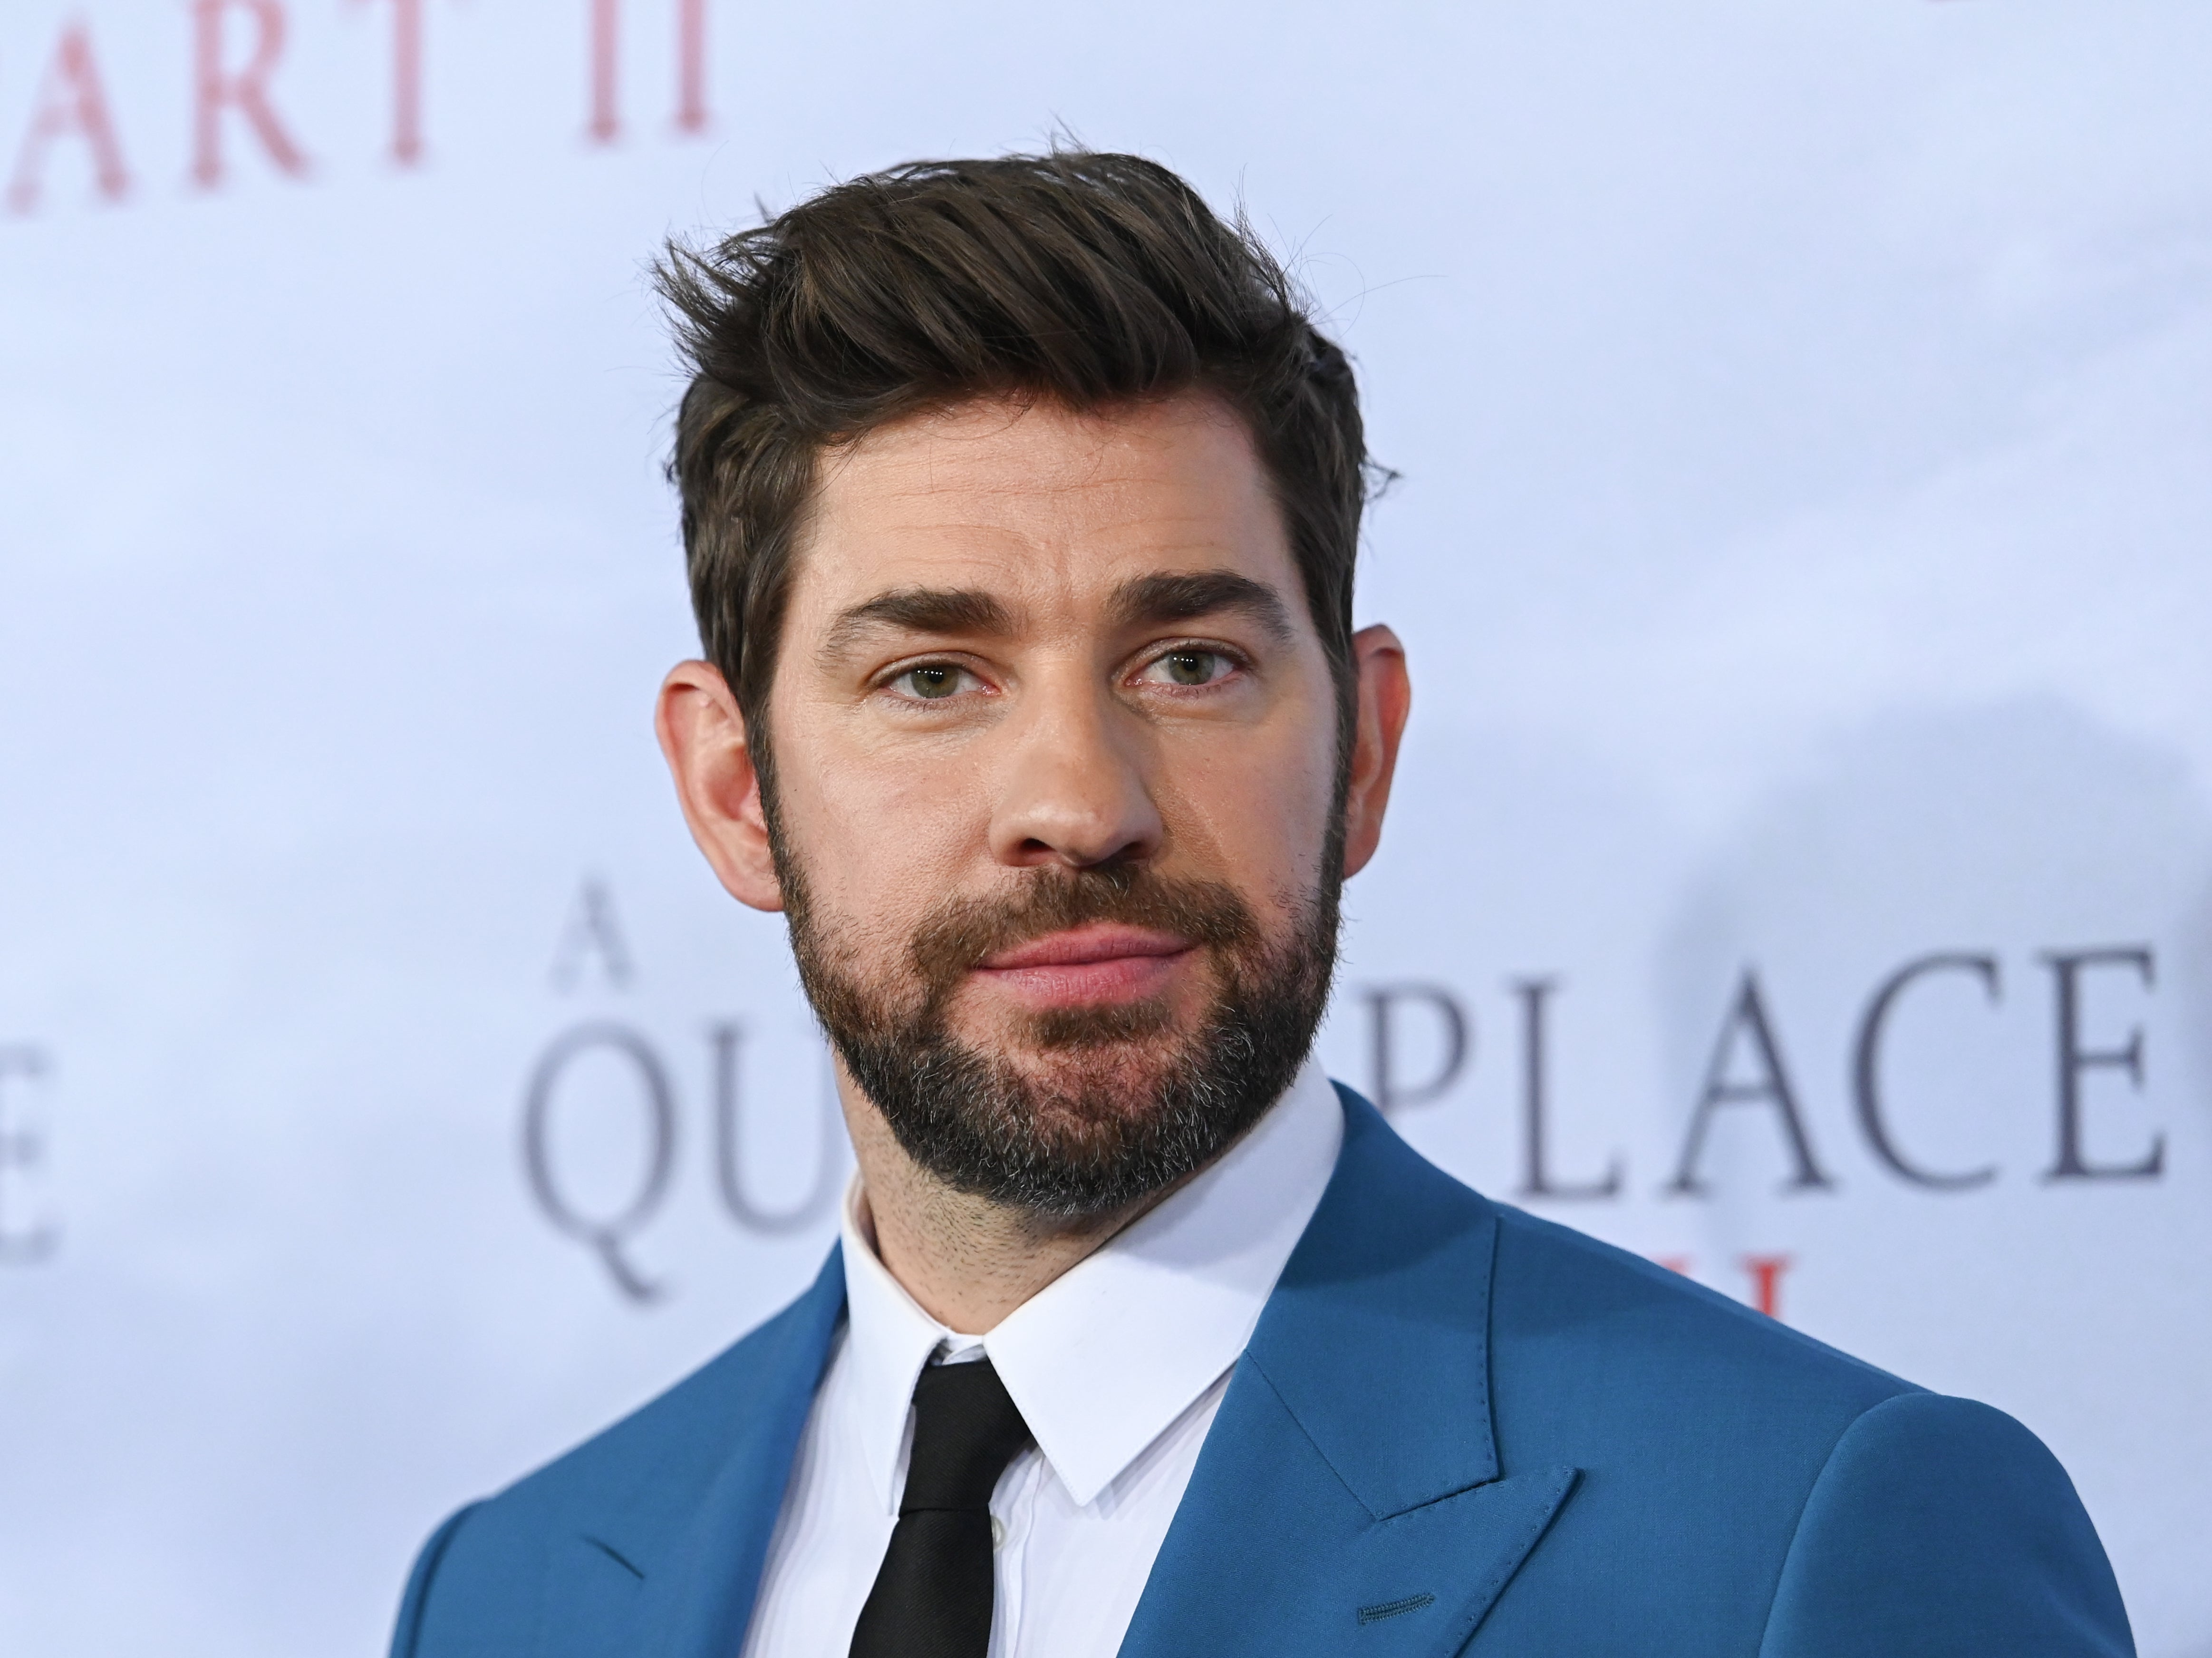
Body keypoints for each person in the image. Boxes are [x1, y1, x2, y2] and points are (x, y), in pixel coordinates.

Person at [388, 151, 2133, 1658]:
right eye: (932, 677)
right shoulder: (512, 1593)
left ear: (1362, 750)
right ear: (734, 790)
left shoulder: (1799, 1539)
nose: (1079, 801)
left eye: (1191, 659)